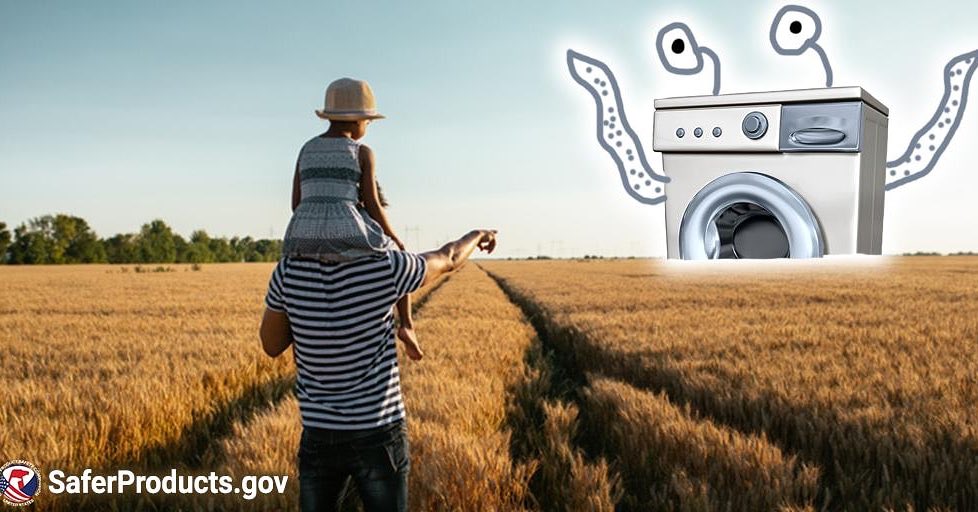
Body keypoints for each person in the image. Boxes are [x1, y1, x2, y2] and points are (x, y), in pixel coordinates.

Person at [259, 228, 497, 512]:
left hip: (320, 434)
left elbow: (272, 345)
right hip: (380, 434)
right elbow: (450, 257)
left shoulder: (289, 271)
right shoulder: (387, 265)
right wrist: (479, 234)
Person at [282, 77, 424, 361]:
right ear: (357, 121)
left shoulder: (306, 149)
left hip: (301, 236)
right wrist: (394, 237)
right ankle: (407, 325)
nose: (367, 127)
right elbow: (372, 203)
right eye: (368, 122)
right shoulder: (362, 153)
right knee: (397, 255)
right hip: (346, 232)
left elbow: (296, 203)